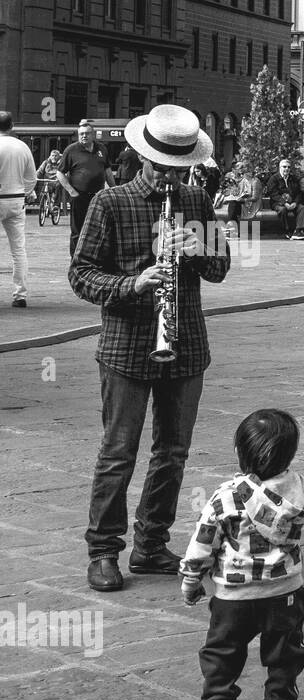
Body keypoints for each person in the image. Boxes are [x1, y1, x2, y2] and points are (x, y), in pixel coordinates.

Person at [69, 104, 231, 592]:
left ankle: (151, 543)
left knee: (173, 452)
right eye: (161, 167)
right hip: (126, 345)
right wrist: (132, 283)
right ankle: (103, 550)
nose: (168, 177)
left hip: (185, 344)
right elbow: (81, 274)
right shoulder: (110, 203)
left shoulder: (197, 202)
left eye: (177, 169)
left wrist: (199, 248)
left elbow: (220, 267)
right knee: (119, 452)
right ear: (143, 157)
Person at [181, 409, 304, 700]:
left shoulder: (225, 496)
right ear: (290, 454)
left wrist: (192, 579)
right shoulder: (298, 490)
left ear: (240, 452)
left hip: (232, 597)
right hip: (283, 590)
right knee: (285, 652)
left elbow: (203, 542)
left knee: (222, 652)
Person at [56, 119, 116, 257]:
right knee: (77, 230)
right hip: (79, 196)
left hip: (98, 197)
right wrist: (71, 191)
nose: (84, 136)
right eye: (81, 134)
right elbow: (60, 173)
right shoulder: (71, 150)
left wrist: (114, 189)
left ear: (93, 135)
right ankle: (76, 259)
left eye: (87, 133)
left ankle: (94, 258)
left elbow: (107, 170)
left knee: (98, 229)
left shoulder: (102, 149)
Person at [0, 111, 37, 309]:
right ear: (11, 126)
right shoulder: (22, 147)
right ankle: (20, 295)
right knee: (18, 249)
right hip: (15, 200)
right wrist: (25, 192)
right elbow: (31, 178)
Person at [265, 158, 304, 240]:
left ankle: (298, 231)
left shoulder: (294, 178)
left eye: (288, 167)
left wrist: (295, 203)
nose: (287, 169)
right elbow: (273, 194)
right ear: (279, 168)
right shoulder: (273, 179)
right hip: (277, 203)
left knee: (302, 208)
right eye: (284, 167)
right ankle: (287, 231)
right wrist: (284, 203)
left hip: (292, 202)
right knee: (282, 210)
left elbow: (299, 193)